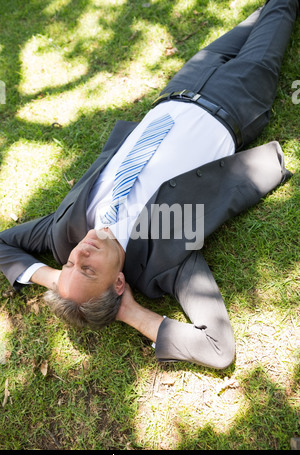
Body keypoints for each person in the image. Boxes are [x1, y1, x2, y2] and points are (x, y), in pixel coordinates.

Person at [0, 0, 298, 369]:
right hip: (236, 100)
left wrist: (56, 279)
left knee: (257, 17)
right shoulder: (163, 260)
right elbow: (218, 349)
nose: (82, 252)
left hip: (182, 87)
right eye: (89, 269)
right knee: (281, 10)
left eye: (72, 263)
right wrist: (131, 313)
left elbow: (3, 243)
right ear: (119, 283)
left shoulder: (66, 234)